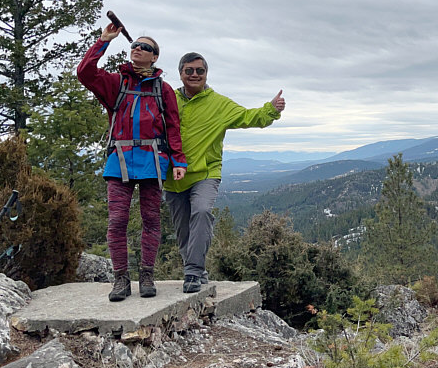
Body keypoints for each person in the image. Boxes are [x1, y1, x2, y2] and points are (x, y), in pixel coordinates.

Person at [77, 23, 187, 301]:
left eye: (145, 47)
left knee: (151, 220)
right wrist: (103, 41)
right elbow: (84, 73)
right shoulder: (117, 83)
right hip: (120, 159)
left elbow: (173, 127)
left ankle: (147, 276)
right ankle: (121, 280)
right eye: (135, 45)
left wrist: (178, 161)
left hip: (153, 159)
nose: (137, 49)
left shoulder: (164, 90)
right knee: (117, 221)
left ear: (155, 57)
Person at [164, 52, 285, 293]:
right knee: (183, 229)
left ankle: (193, 273)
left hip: (206, 172)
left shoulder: (219, 104)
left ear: (206, 74)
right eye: (189, 70)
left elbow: (249, 117)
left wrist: (271, 109)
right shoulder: (168, 99)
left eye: (200, 70)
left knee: (202, 212)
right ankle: (197, 268)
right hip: (172, 175)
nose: (195, 74)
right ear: (181, 74)